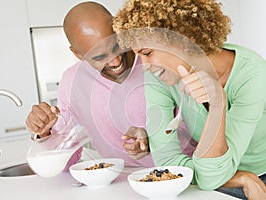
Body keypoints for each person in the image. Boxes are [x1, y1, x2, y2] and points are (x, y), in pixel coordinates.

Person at [113, 0, 266, 199]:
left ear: (183, 39)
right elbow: (168, 162)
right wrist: (241, 178)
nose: (144, 65)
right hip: (223, 178)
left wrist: (218, 101)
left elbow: (207, 173)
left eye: (147, 53)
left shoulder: (252, 73)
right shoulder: (158, 77)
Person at [25, 2, 196, 168]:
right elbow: (66, 159)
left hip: (184, 171)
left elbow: (196, 128)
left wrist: (153, 141)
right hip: (123, 180)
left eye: (117, 45)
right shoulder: (72, 82)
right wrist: (45, 133)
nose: (115, 61)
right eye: (99, 57)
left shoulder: (154, 59)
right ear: (77, 53)